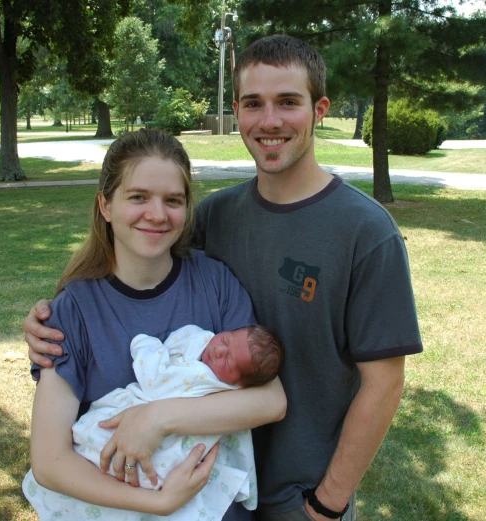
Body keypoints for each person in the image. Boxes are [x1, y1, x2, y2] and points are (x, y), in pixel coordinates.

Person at [25, 35, 423, 521]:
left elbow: (384, 385)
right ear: (236, 110)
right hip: (218, 484)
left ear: (319, 110)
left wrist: (327, 503)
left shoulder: (366, 232)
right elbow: (135, 262)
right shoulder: (215, 218)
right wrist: (48, 322)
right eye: (254, 103)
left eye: (288, 102)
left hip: (299, 493)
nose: (270, 120)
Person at [26, 129, 287, 521]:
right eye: (138, 197)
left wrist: (156, 418)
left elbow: (270, 400)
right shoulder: (72, 312)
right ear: (106, 205)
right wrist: (159, 503)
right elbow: (49, 460)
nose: (158, 214)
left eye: (173, 200)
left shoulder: (214, 282)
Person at [24, 324, 284, 521]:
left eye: (228, 360)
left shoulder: (205, 378)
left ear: (239, 383)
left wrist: (145, 345)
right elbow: (49, 463)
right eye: (225, 340)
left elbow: (156, 380)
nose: (218, 351)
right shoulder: (73, 309)